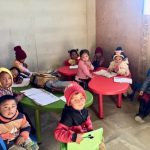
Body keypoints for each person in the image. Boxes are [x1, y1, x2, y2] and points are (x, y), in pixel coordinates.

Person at [54, 82, 105, 150]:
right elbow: (57, 133)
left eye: (81, 98)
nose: (80, 102)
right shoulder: (68, 116)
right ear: (69, 103)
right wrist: (73, 137)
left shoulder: (83, 110)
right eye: (75, 100)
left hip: (84, 137)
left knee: (101, 141)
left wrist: (90, 130)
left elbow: (88, 121)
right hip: (73, 142)